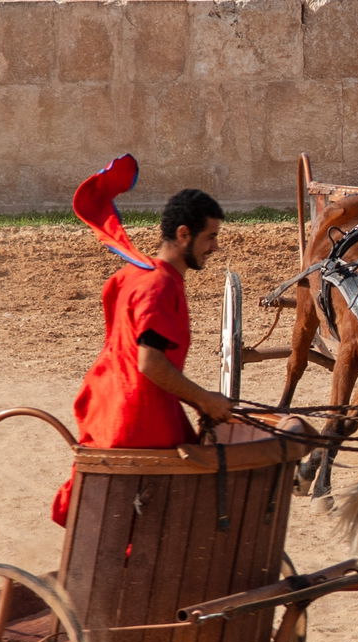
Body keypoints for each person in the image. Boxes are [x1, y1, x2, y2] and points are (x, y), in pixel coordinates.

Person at [51, 167, 234, 526]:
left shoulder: (137, 274)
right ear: (184, 235)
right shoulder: (160, 286)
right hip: (137, 420)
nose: (215, 247)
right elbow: (150, 363)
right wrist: (205, 399)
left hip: (111, 407)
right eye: (210, 237)